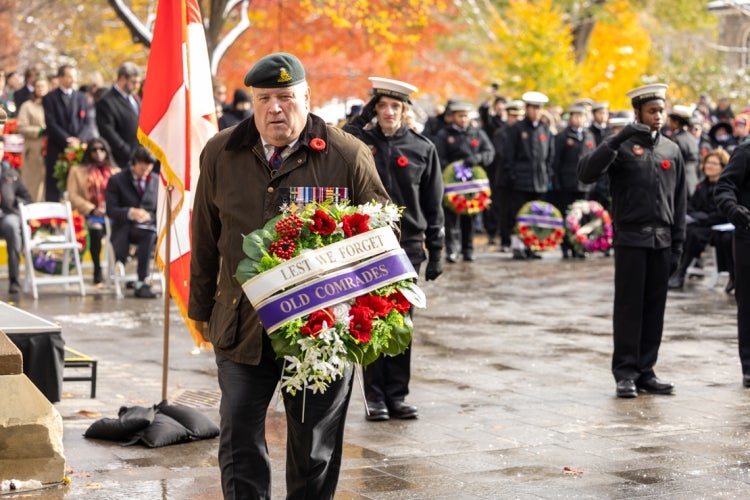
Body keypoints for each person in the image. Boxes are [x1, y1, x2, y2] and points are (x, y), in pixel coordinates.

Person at [188, 52, 391, 499]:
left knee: (313, 446)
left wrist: (369, 317)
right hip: (243, 324)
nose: (275, 108)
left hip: (321, 330)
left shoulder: (346, 154)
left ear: (307, 97)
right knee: (238, 436)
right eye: (264, 99)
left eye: (286, 97)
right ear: (252, 102)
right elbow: (205, 235)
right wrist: (201, 310)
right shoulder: (222, 150)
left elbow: (384, 234)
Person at [344, 76, 445, 422]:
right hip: (369, 245)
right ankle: (375, 397)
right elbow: (337, 140)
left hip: (408, 246)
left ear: (405, 112)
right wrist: (362, 117)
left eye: (395, 107)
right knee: (370, 317)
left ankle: (397, 395)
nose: (388, 112)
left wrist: (438, 249)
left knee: (401, 319)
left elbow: (433, 203)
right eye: (382, 106)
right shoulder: (360, 142)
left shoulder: (421, 148)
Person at [578, 83, 686, 398]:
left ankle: (646, 370)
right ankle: (625, 372)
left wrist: (678, 244)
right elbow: (586, 173)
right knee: (629, 308)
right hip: (631, 239)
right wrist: (617, 138)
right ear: (638, 112)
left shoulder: (671, 149)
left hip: (663, 241)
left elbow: (679, 203)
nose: (658, 116)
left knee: (655, 308)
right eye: (652, 111)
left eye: (661, 110)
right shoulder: (621, 146)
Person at [434, 101, 495, 262]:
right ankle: (452, 250)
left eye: (465, 115)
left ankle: (468, 249)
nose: (463, 119)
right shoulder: (444, 135)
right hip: (452, 185)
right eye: (459, 116)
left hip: (472, 185)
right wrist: (451, 168)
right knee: (452, 219)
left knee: (469, 217)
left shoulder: (477, 133)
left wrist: (478, 158)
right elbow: (438, 157)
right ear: (453, 117)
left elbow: (489, 151)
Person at [667, 149, 734, 292]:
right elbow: (690, 206)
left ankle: (681, 272)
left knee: (692, 233)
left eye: (714, 163)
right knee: (683, 230)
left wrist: (701, 217)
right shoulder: (702, 185)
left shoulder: (725, 186)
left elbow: (721, 213)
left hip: (717, 227)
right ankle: (676, 270)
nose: (709, 166)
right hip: (701, 224)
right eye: (708, 162)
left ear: (722, 167)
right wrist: (698, 216)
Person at [502, 91, 555, 260]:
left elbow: (550, 156)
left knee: (536, 214)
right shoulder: (517, 129)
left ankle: (533, 245)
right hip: (520, 180)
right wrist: (513, 175)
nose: (536, 112)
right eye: (533, 108)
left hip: (539, 180)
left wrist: (547, 175)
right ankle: (518, 246)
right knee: (519, 213)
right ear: (527, 109)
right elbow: (508, 155)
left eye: (539, 109)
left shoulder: (545, 129)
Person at [714, 139, 750, 388]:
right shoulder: (745, 152)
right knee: (748, 303)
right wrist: (733, 208)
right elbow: (724, 186)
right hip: (748, 235)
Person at [105, 145, 158, 299]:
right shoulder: (117, 180)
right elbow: (111, 210)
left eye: (148, 170)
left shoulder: (155, 180)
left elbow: (158, 210)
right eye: (142, 170)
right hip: (126, 228)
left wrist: (148, 216)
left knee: (151, 233)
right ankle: (142, 282)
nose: (145, 174)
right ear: (134, 164)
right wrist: (131, 212)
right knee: (149, 235)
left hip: (149, 225)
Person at [67, 137, 120, 287]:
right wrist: (91, 208)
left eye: (102, 149)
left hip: (112, 214)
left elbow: (121, 195)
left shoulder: (115, 171)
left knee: (123, 231)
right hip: (88, 215)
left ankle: (119, 270)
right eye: (94, 149)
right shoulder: (77, 171)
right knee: (95, 231)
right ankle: (97, 269)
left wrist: (109, 208)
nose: (98, 153)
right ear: (89, 152)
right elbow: (73, 195)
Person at [42, 64, 94, 202]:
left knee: (78, 185)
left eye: (74, 77)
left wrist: (79, 139)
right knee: (54, 186)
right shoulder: (49, 98)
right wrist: (67, 140)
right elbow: (51, 124)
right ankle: (52, 220)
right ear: (60, 78)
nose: (73, 80)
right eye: (70, 77)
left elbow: (88, 122)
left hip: (78, 149)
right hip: (57, 148)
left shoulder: (82, 98)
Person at [550, 105, 596, 258]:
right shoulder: (562, 137)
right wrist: (556, 182)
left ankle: (579, 245)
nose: (579, 119)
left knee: (581, 217)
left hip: (584, 184)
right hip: (566, 184)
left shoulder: (589, 136)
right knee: (567, 216)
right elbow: (555, 162)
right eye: (576, 116)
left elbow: (594, 159)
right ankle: (566, 246)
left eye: (582, 116)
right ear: (570, 118)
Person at [0, 133, 33, 294]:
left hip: (6, 216)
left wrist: (17, 205)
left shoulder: (11, 173)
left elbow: (27, 198)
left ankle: (14, 279)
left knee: (13, 226)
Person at [96, 62, 142, 169]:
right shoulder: (107, 101)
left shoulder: (135, 99)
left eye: (138, 83)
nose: (136, 86)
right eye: (133, 82)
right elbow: (108, 131)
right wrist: (127, 151)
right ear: (122, 79)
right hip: (122, 159)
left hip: (140, 156)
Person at [16, 77, 48, 202]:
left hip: (49, 148)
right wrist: (39, 131)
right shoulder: (27, 106)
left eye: (43, 86)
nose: (40, 89)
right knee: (32, 181)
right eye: (38, 86)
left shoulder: (51, 104)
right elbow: (21, 126)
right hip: (33, 148)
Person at [668, 105, 701, 196]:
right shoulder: (691, 138)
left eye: (670, 121)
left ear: (676, 122)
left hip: (680, 183)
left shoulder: (676, 139)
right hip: (693, 181)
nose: (669, 123)